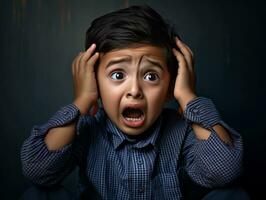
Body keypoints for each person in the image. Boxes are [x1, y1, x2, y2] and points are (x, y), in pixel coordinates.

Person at [20, 5, 248, 200]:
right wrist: (82, 101)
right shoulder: (86, 129)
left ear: (170, 88)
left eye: (151, 76)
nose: (135, 90)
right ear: (95, 84)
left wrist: (188, 97)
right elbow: (37, 170)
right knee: (39, 194)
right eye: (118, 75)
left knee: (232, 195)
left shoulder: (182, 131)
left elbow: (224, 171)